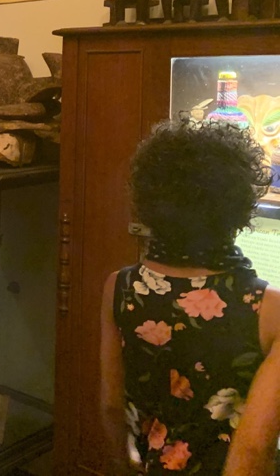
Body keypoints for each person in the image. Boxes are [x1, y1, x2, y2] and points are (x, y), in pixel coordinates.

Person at [100, 120, 280, 474]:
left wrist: (122, 466)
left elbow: (110, 406)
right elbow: (253, 450)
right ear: (239, 206)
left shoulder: (120, 287)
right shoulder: (268, 307)